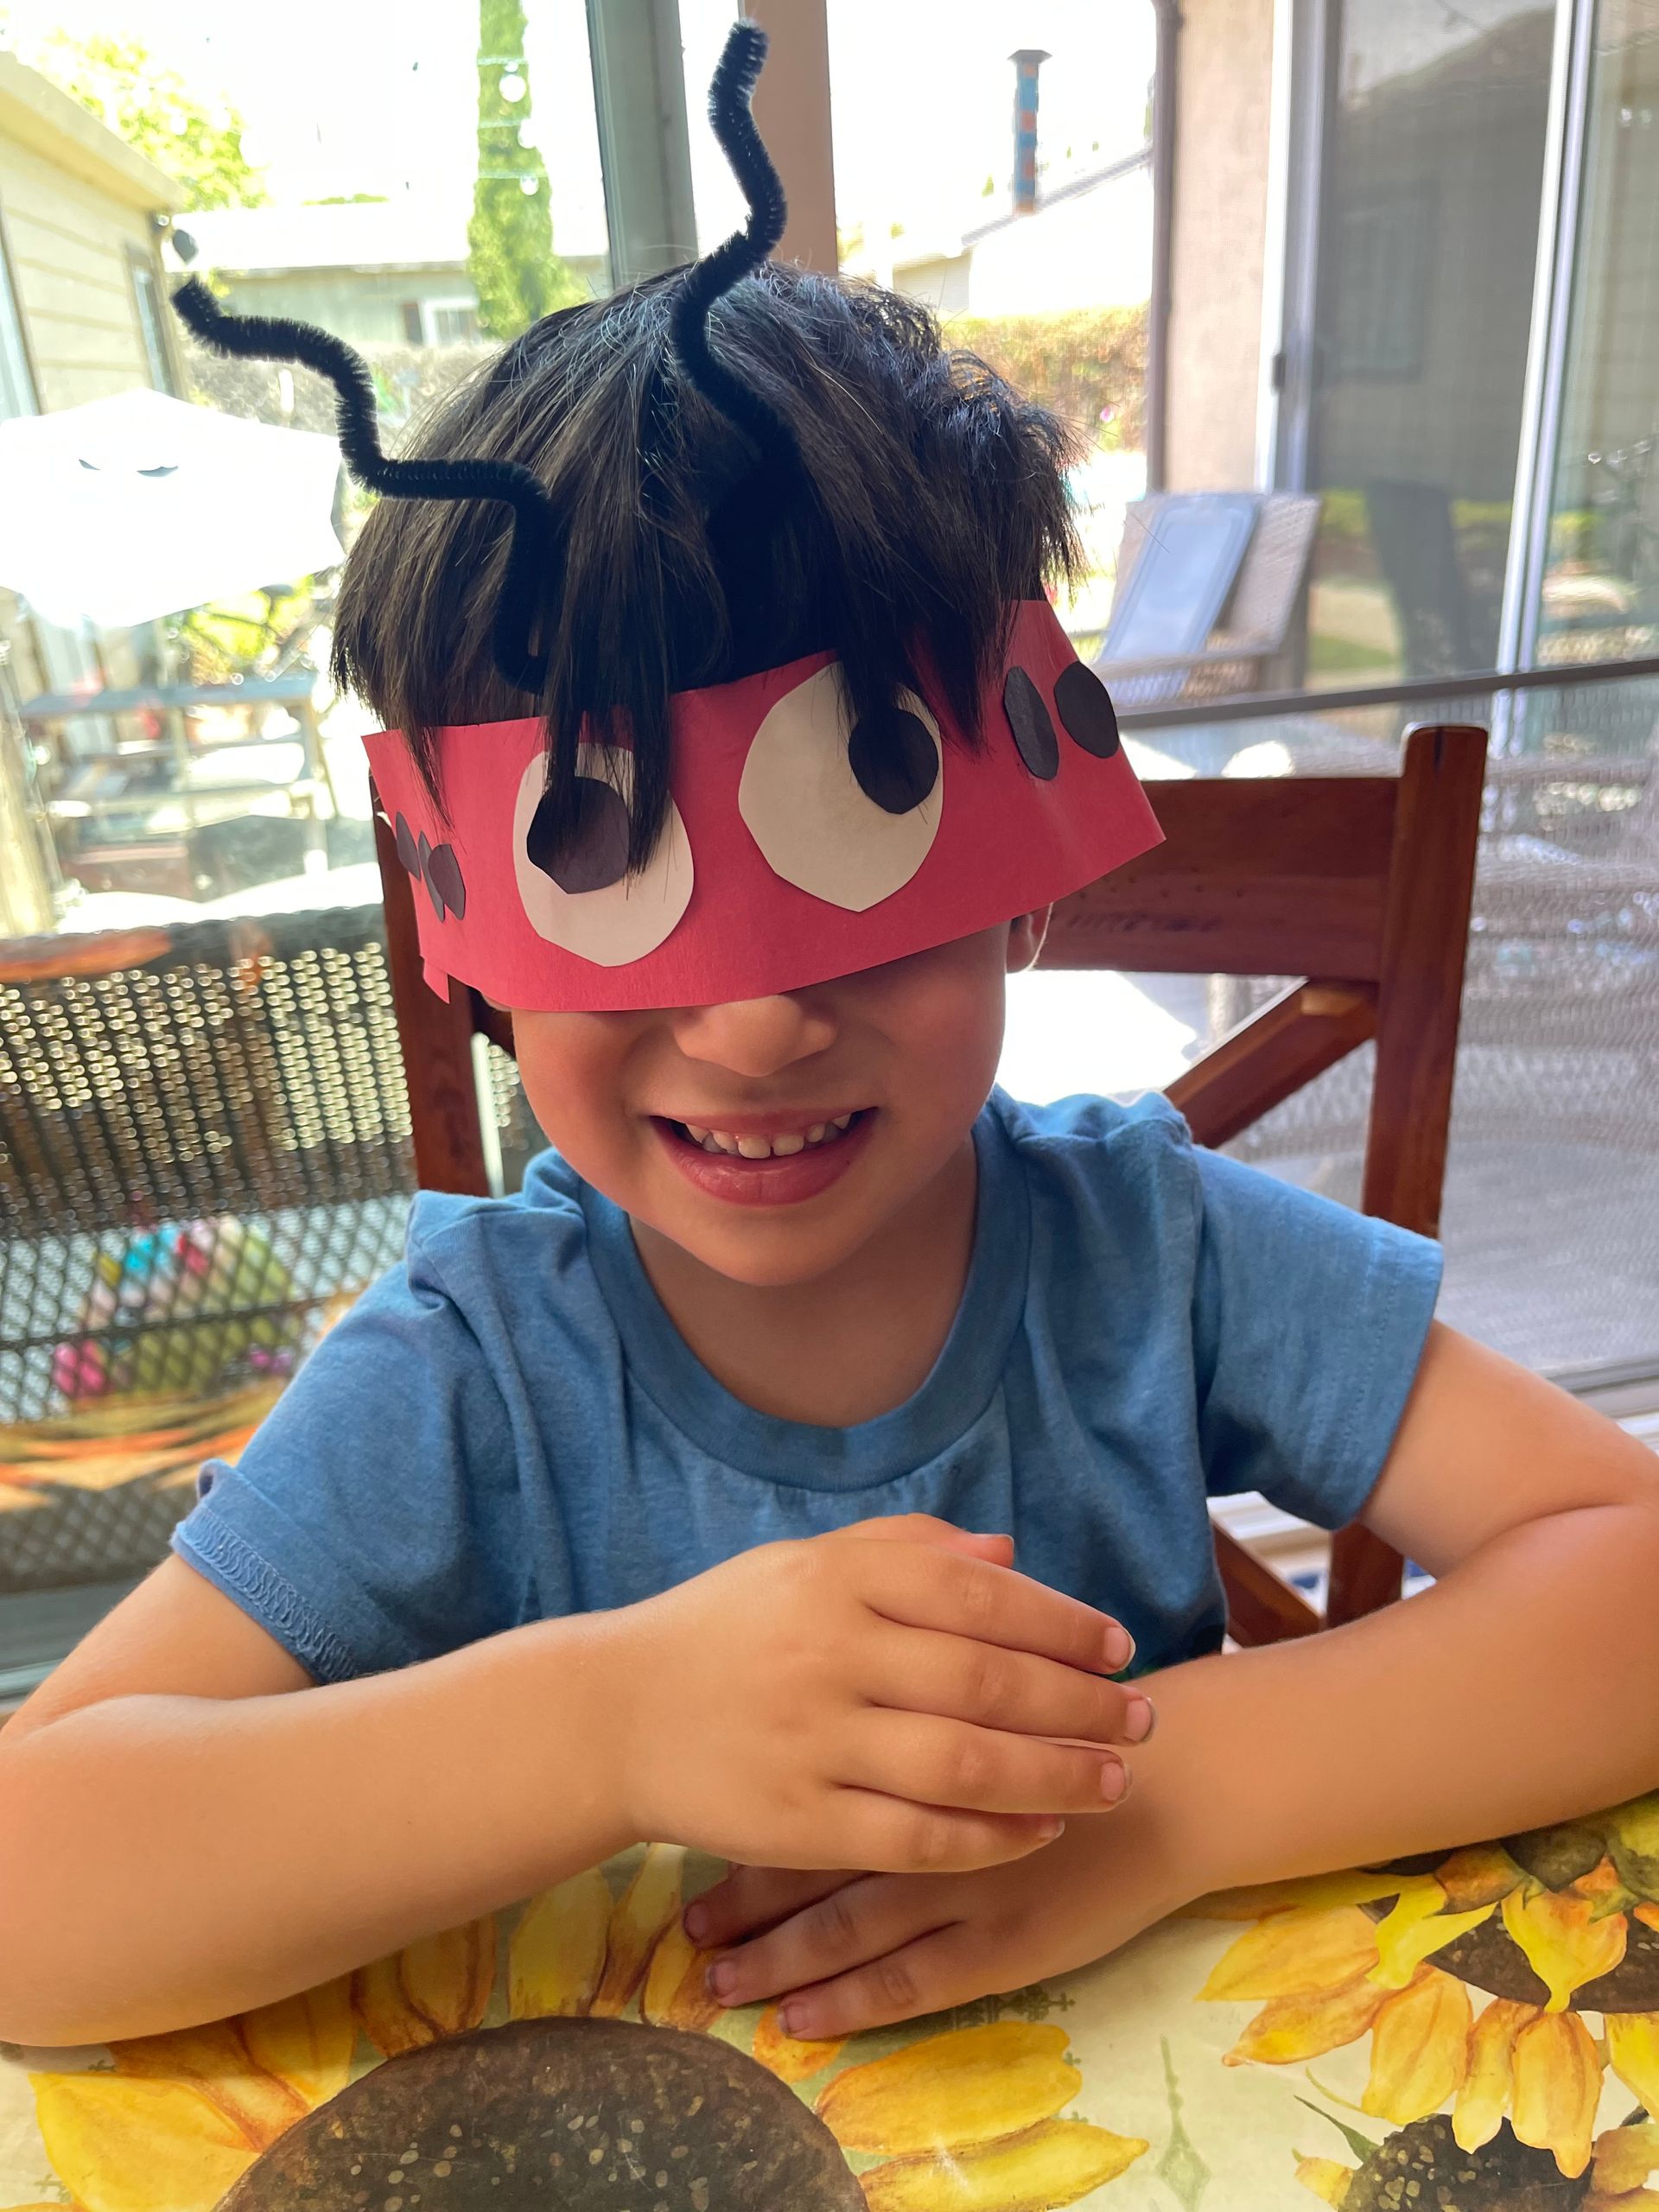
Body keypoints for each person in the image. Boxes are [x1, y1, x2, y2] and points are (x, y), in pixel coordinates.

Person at [2, 28, 1656, 2055]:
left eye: (860, 846)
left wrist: (1171, 1798)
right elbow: (28, 1889)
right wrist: (610, 1720)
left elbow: (1634, 1567)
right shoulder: (477, 1372)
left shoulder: (1157, 1256)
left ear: (1028, 865)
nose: (760, 1010)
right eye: (601, 861)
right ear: (471, 939)